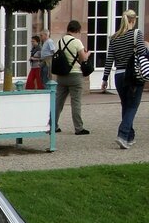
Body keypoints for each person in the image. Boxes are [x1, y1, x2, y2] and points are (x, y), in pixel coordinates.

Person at [101, 9, 145, 149]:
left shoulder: (114, 38)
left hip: (119, 75)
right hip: (133, 74)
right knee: (132, 106)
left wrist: (104, 79)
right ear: (133, 20)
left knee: (126, 105)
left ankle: (130, 137)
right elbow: (142, 52)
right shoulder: (137, 34)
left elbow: (109, 60)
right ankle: (123, 134)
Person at [54, 20, 91, 135]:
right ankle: (78, 128)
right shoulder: (77, 42)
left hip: (62, 75)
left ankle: (53, 125)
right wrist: (88, 54)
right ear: (78, 30)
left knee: (58, 102)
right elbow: (83, 58)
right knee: (76, 102)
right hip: (75, 75)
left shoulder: (60, 41)